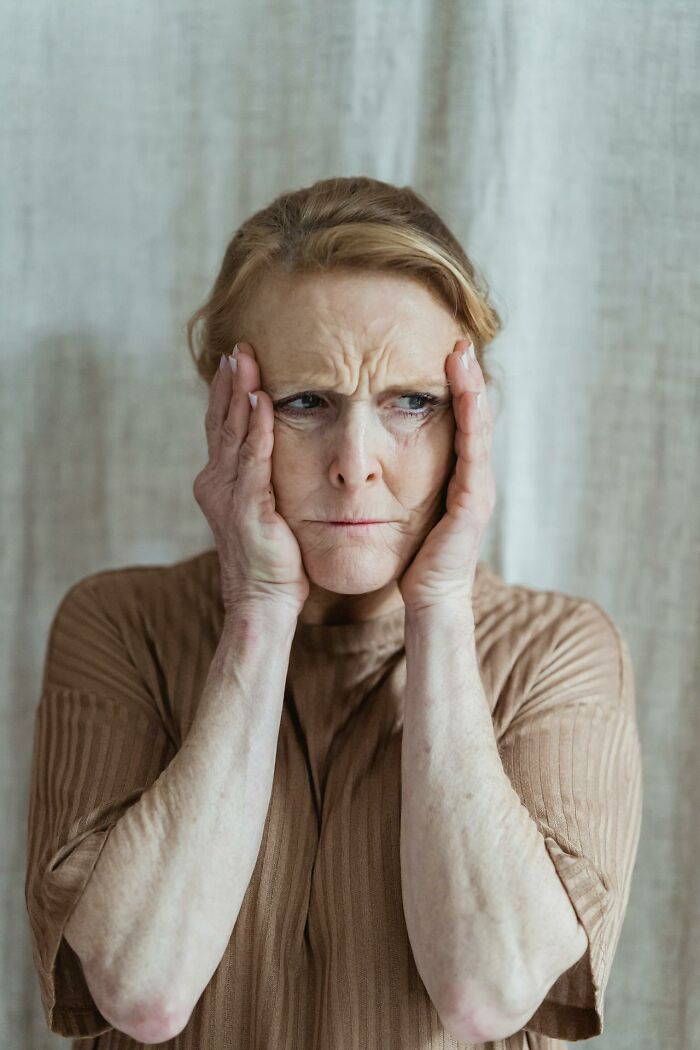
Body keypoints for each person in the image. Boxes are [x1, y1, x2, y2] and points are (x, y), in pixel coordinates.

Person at [25, 175, 643, 1049]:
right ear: (227, 415)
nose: (357, 464)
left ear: (467, 424)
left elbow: (487, 994)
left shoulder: (560, 650)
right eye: (307, 403)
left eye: (411, 404)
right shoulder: (120, 624)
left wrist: (438, 606)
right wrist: (260, 610)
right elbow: (141, 990)